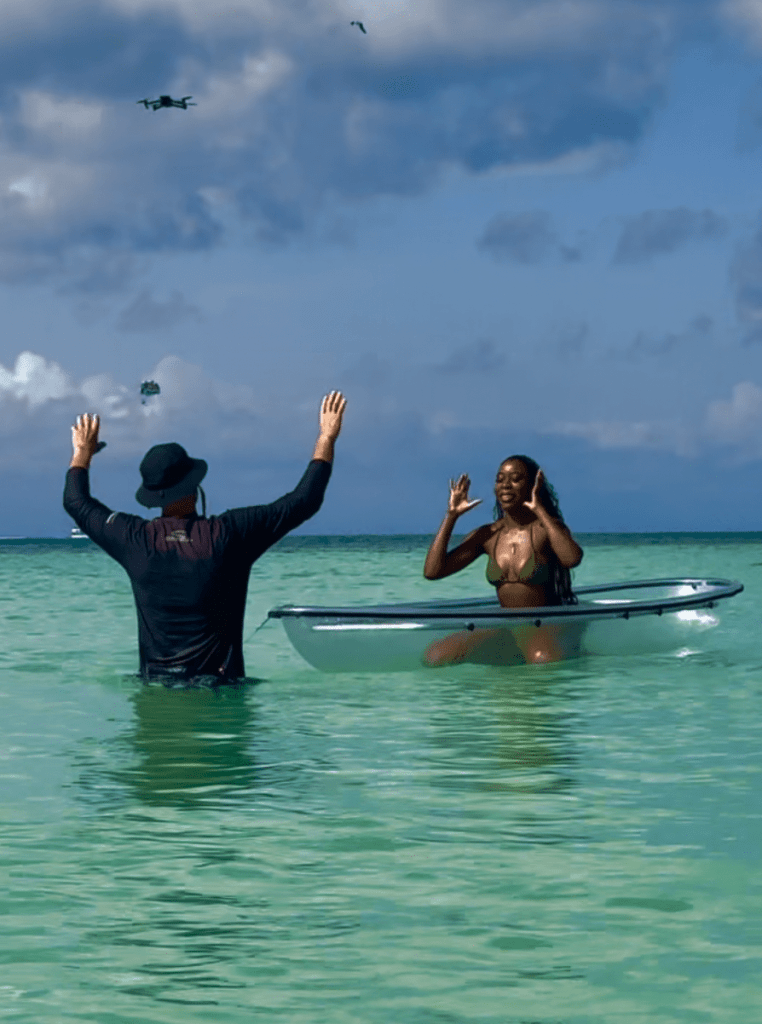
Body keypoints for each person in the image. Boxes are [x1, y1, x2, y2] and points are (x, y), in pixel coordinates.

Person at [63, 391, 347, 683]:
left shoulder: (134, 539)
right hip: (219, 696)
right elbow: (304, 501)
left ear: (152, 495)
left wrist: (82, 453)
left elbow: (76, 502)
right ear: (195, 485)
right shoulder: (230, 534)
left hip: (157, 698)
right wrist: (326, 438)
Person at [423, 455, 583, 665]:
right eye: (500, 479)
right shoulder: (488, 535)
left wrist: (540, 510)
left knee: (542, 661)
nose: (506, 485)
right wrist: (451, 516)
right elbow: (433, 571)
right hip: (506, 623)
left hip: (547, 621)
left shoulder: (546, 529)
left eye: (516, 478)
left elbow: (571, 558)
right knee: (436, 656)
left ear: (533, 485)